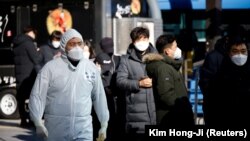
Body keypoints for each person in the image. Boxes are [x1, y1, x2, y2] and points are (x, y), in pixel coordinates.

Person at [28, 29, 109, 141]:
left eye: (79, 43)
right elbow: (37, 96)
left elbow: (99, 97)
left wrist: (104, 123)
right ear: (63, 46)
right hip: (56, 130)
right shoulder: (50, 68)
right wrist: (37, 121)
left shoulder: (91, 68)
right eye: (72, 44)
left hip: (83, 129)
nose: (76, 47)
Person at [143, 34, 194, 127]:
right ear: (167, 51)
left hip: (175, 116)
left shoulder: (170, 66)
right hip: (173, 119)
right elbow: (167, 95)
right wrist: (183, 107)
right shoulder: (164, 68)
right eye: (175, 47)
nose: (178, 49)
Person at [116, 26, 156, 141]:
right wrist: (138, 84)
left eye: (144, 39)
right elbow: (120, 81)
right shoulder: (126, 60)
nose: (142, 42)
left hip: (155, 112)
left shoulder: (157, 57)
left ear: (148, 39)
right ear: (133, 42)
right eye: (139, 39)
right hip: (135, 115)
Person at [203, 36, 250, 126]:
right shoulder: (219, 79)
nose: (240, 55)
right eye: (235, 51)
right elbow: (211, 107)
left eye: (243, 51)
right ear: (229, 53)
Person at [12, 25, 42, 127]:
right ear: (31, 32)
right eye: (34, 34)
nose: (34, 36)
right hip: (29, 74)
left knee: (21, 98)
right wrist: (37, 51)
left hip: (19, 73)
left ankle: (23, 120)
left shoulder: (16, 43)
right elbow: (36, 59)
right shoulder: (28, 43)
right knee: (32, 98)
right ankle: (32, 120)